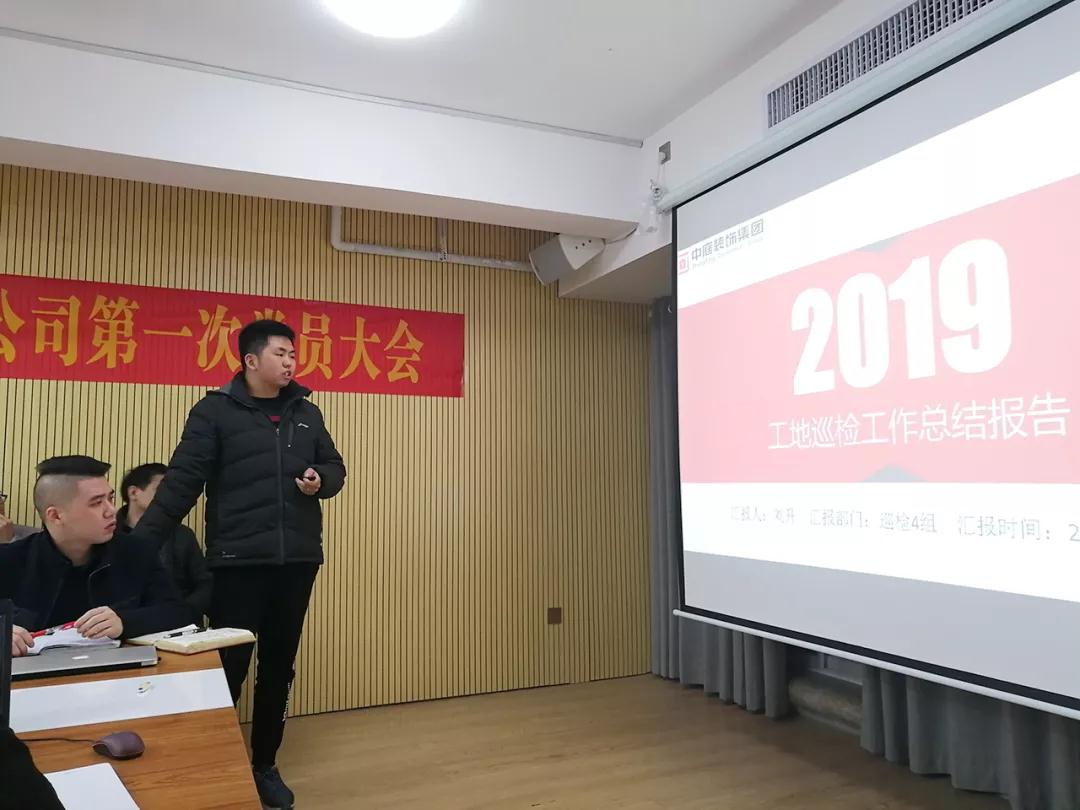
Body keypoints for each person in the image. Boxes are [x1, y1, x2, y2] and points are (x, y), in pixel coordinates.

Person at [135, 319, 346, 810]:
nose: (290, 362)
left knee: (279, 666)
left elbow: (336, 467)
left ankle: (264, 765)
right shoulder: (214, 411)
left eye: (293, 354)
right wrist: (138, 549)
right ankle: (212, 759)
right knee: (229, 662)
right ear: (251, 360)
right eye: (280, 354)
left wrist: (322, 479)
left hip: (297, 560)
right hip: (237, 562)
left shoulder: (307, 413)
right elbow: (182, 481)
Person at [0, 456, 191, 654]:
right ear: (55, 515)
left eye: (110, 499)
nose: (111, 511)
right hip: (35, 670)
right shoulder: (10, 560)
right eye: (96, 503)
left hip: (119, 667)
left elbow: (178, 612)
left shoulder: (136, 551)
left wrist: (124, 622)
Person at [119, 463, 213, 626]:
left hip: (180, 626)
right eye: (160, 489)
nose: (168, 496)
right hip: (124, 625)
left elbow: (205, 583)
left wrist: (185, 611)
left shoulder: (182, 534)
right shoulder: (110, 535)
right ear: (134, 492)